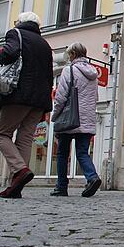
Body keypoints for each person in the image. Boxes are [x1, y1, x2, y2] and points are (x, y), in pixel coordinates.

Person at [0, 12, 53, 199]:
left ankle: (19, 170)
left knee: (1, 134)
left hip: (19, 94)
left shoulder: (16, 34)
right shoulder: (45, 44)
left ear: (20, 22)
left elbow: (9, 53)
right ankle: (15, 186)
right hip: (39, 99)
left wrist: (0, 53)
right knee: (25, 138)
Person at [50, 42, 102, 198]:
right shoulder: (93, 73)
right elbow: (95, 97)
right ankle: (92, 177)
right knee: (82, 152)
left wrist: (55, 115)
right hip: (86, 118)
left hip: (69, 117)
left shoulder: (69, 70)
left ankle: (61, 187)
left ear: (72, 55)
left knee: (62, 153)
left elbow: (61, 96)